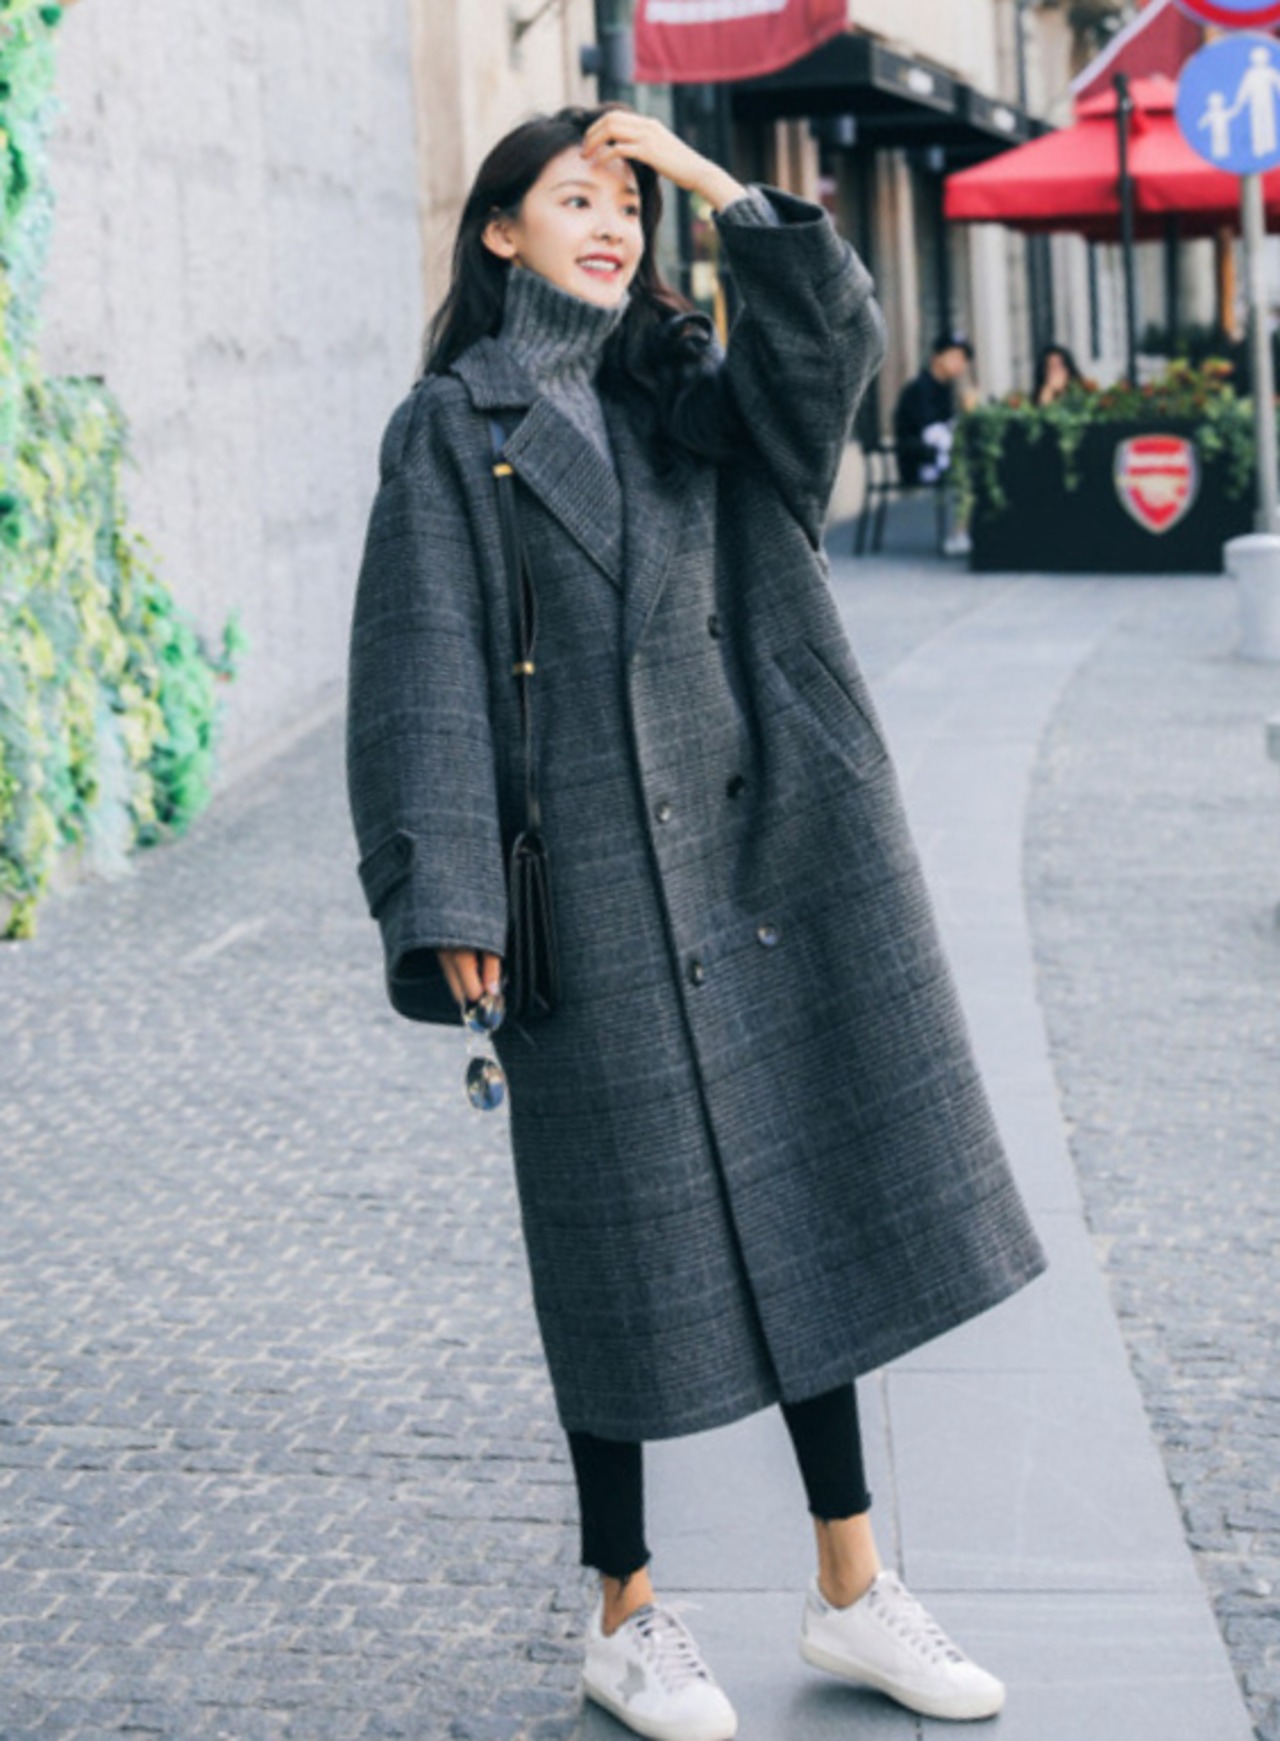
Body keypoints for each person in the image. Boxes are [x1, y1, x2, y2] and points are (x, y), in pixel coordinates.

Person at [346, 104, 1046, 1741]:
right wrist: (450, 895)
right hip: (582, 884)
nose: (613, 224)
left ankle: (853, 1587)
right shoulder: (453, 426)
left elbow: (835, 342)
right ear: (500, 231)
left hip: (761, 857)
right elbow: (419, 669)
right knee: (611, 1239)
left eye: (629, 204)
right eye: (575, 199)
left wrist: (716, 182)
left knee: (809, 1197)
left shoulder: (696, 396)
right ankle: (626, 1609)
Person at [892, 331, 975, 487]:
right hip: (921, 466)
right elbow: (931, 433)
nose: (961, 364)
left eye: (964, 359)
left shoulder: (946, 389)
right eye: (955, 357)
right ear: (937, 358)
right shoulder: (920, 388)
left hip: (938, 463)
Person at [1033, 342, 1085, 407]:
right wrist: (1048, 392)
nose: (1056, 371)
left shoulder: (1083, 395)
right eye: (1051, 366)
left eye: (1059, 365)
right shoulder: (1035, 400)